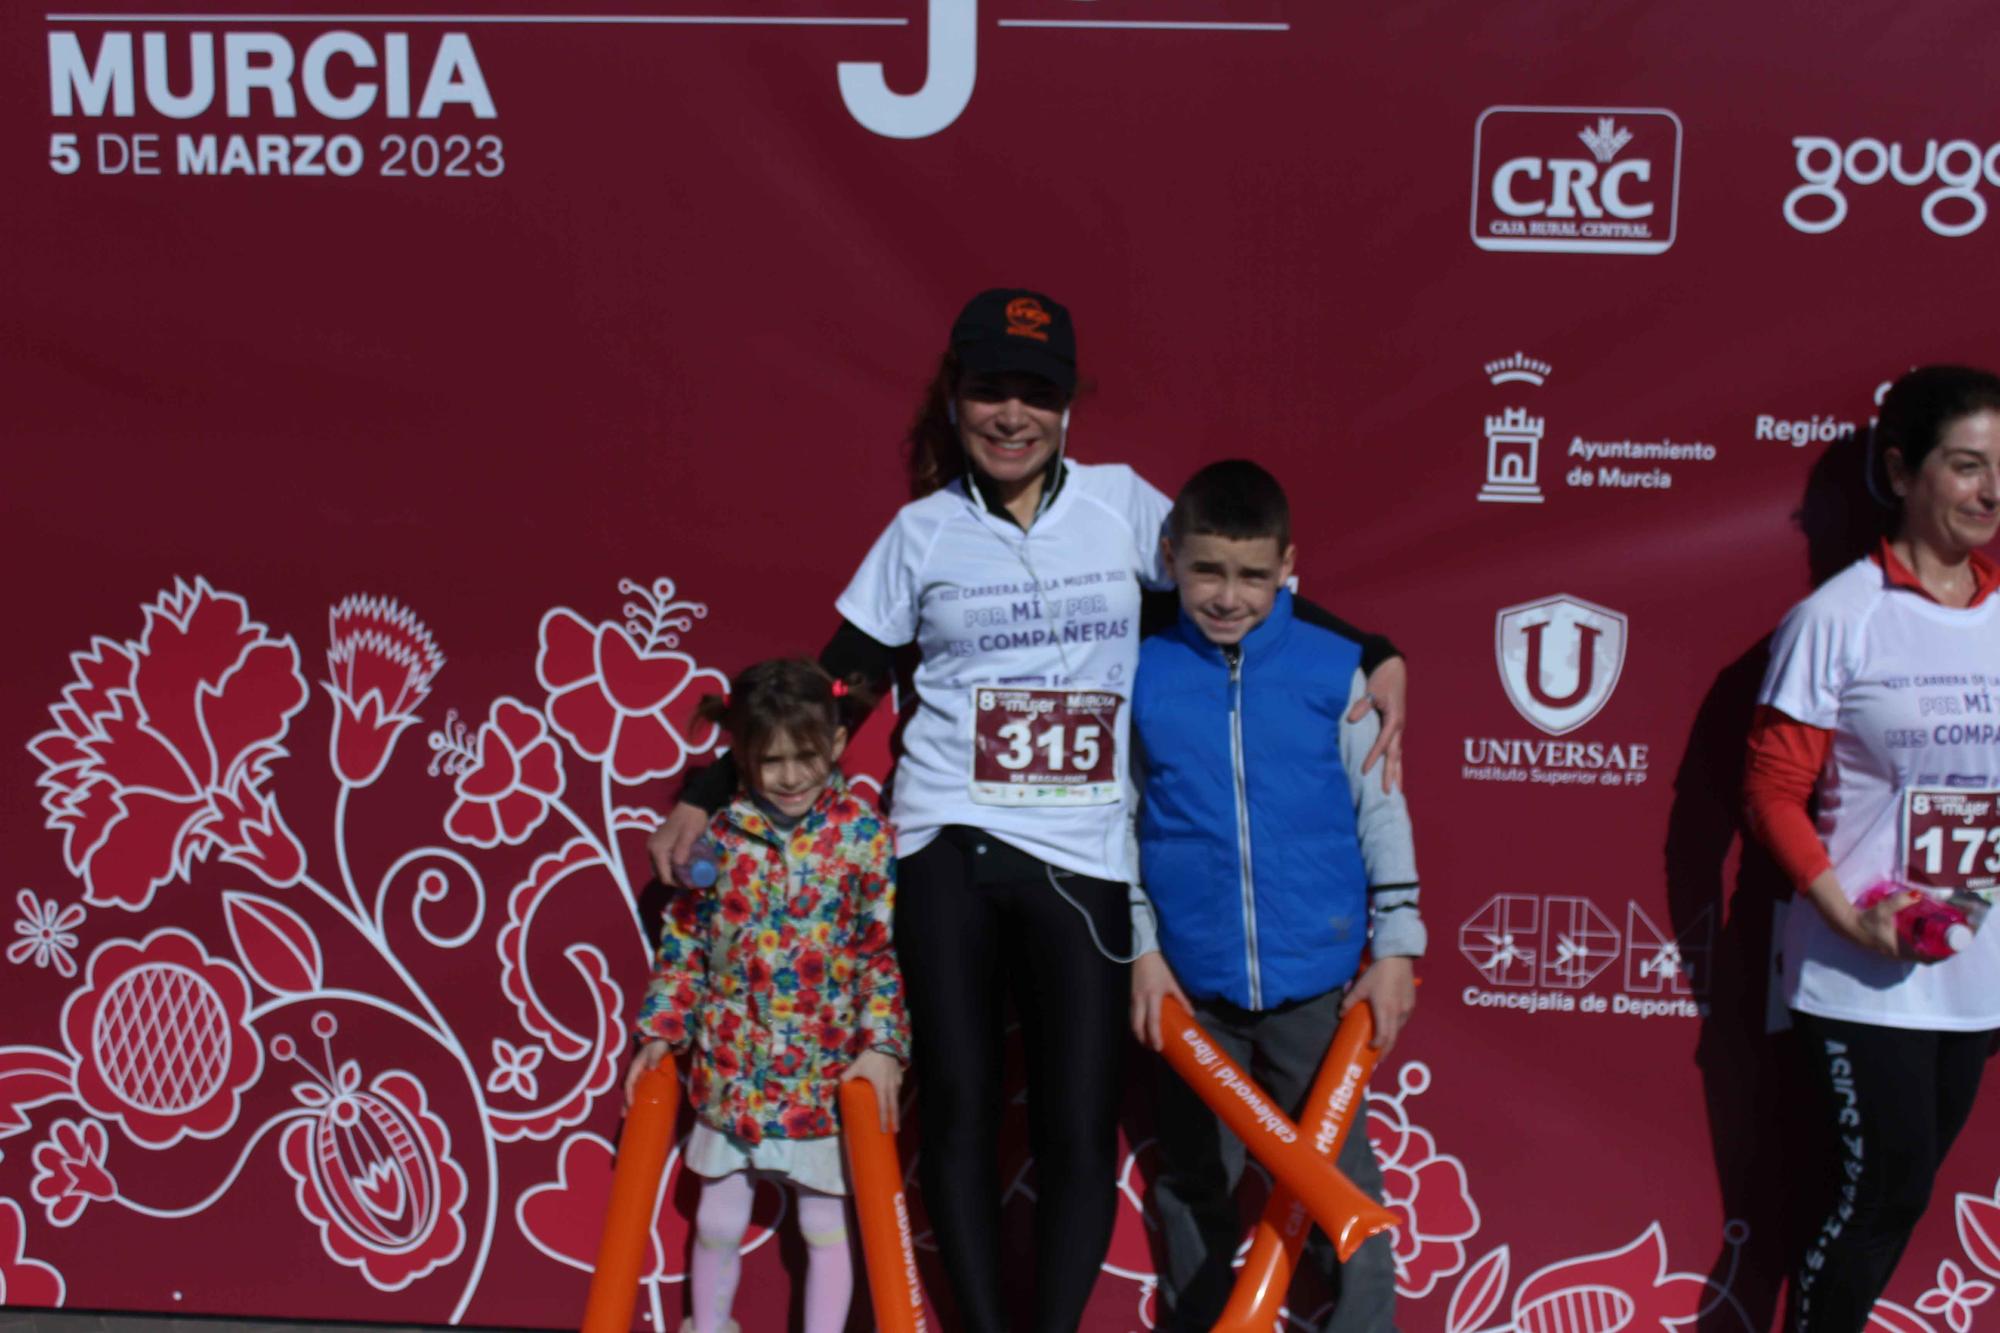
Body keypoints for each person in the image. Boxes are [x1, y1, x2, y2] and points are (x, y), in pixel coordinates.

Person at [648, 288, 1409, 1332]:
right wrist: (704, 788)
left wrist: (1371, 649)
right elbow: (833, 689)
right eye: (988, 391)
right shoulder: (919, 533)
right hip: (943, 840)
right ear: (953, 399)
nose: (1011, 415)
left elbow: (1233, 583)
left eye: (1035, 395)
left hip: (1081, 849)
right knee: (957, 1109)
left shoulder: (1124, 506)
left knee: (1075, 1122)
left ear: (1066, 411)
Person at [1127, 460, 1422, 1333]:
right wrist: (1143, 951)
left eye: (1253, 573)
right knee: (1192, 1186)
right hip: (1190, 995)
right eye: (1207, 569)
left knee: (1342, 1190)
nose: (1228, 594)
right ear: (1172, 557)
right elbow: (1120, 827)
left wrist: (1398, 946)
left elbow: (1383, 808)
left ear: (1289, 564)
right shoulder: (1139, 674)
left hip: (1316, 988)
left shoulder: (1340, 670)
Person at [1742, 365, 2000, 1333]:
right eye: (1965, 466)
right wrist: (1845, 914)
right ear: (1898, 470)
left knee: (1902, 1196)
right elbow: (1769, 791)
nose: (1988, 492)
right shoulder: (1835, 619)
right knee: (1875, 1195)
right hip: (1857, 968)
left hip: (1973, 974)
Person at [628, 658, 909, 1333]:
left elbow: (879, 952)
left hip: (821, 1070)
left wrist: (884, 1045)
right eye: (770, 759)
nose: (788, 776)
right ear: (741, 755)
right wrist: (661, 1029)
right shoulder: (720, 838)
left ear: (838, 744)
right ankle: (711, 1324)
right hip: (734, 1070)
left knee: (824, 1223)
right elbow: (688, 943)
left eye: (804, 755)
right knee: (718, 1217)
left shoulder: (865, 839)